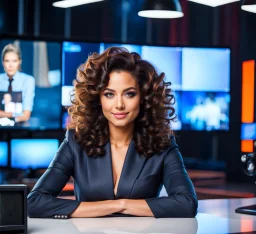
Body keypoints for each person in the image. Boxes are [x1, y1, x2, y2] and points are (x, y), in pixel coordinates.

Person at [27, 47, 198, 219]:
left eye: (129, 94)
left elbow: (187, 204)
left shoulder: (162, 144)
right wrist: (115, 205)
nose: (119, 105)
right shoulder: (76, 141)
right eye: (109, 94)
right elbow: (35, 203)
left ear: (144, 98)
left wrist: (123, 204)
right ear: (98, 99)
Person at [0, 43, 35, 123]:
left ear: (19, 62)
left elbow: (26, 115)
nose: (11, 65)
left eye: (14, 61)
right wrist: (15, 114)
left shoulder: (28, 80)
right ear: (3, 63)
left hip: (20, 126)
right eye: (7, 61)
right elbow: (21, 114)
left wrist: (6, 117)